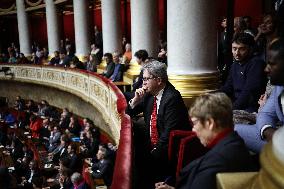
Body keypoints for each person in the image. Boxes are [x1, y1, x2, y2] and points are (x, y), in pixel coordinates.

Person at [155, 93, 255, 189]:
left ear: (209, 123)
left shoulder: (218, 162)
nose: (193, 129)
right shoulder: (235, 144)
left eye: (195, 123)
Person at [127, 60, 191, 182]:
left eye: (146, 79)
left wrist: (150, 156)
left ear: (159, 80)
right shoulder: (150, 94)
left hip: (168, 154)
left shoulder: (172, 99)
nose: (143, 83)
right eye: (143, 79)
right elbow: (129, 113)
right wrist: (135, 101)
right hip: (152, 145)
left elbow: (167, 136)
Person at [235, 38, 284, 153]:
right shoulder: (279, 86)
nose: (266, 69)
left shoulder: (254, 63)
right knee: (232, 131)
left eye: (272, 64)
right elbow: (266, 113)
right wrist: (268, 131)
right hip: (276, 137)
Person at [220, 32, 267, 112]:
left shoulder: (256, 63)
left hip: (251, 109)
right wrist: (212, 94)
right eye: (234, 49)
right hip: (237, 105)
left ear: (250, 49)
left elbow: (249, 93)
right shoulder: (235, 64)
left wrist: (231, 109)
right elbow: (228, 87)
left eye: (242, 49)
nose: (237, 53)